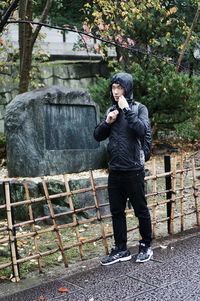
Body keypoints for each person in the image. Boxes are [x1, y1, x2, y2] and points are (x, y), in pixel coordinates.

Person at [94, 72, 153, 266]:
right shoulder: (111, 110)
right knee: (117, 211)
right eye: (114, 88)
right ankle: (121, 248)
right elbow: (97, 136)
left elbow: (142, 130)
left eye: (120, 88)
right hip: (115, 170)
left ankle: (145, 245)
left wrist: (127, 110)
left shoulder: (139, 108)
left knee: (141, 210)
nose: (116, 92)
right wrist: (107, 121)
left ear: (127, 89)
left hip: (134, 169)